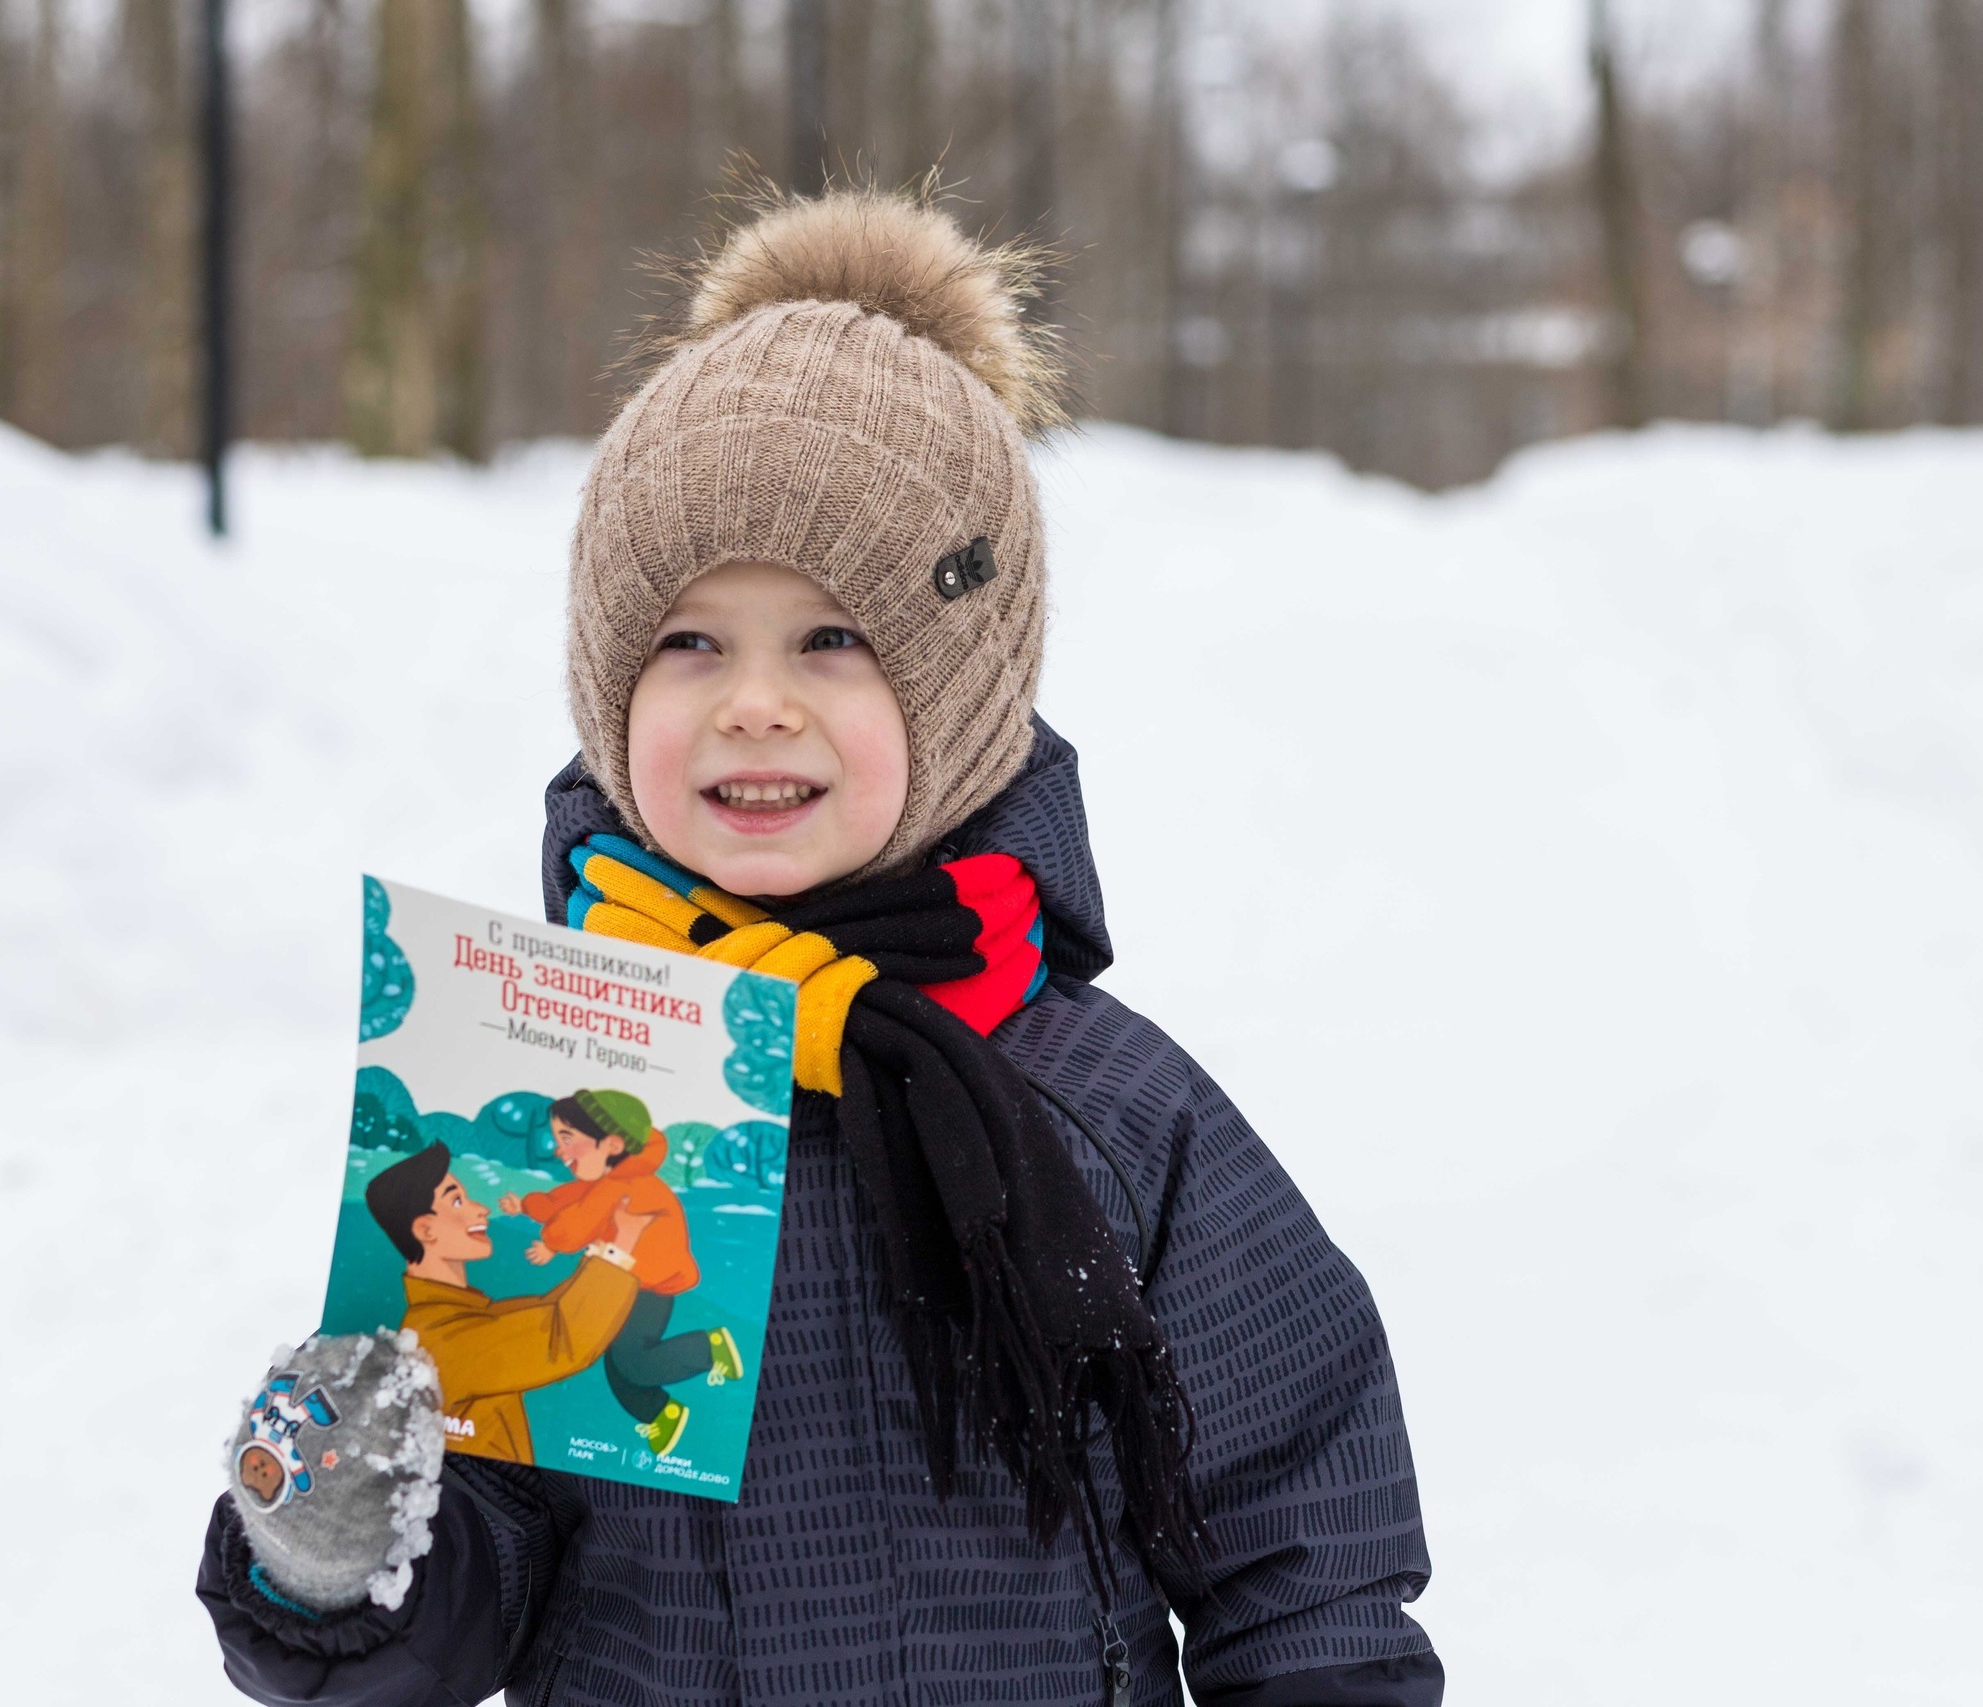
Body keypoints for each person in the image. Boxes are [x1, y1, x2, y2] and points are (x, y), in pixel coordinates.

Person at [199, 187, 1443, 1707]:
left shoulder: (1110, 1112)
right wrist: (344, 1546)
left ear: (965, 690)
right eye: (690, 641)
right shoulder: (544, 1099)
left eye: (834, 640)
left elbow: (1306, 1556)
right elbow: (474, 1580)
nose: (755, 703)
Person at [364, 1141, 642, 1465]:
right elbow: (560, 1339)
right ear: (425, 1229)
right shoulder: (441, 1338)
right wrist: (620, 1246)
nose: (480, 1208)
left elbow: (547, 1312)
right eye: (457, 1200)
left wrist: (603, 1245)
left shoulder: (456, 1315)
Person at [501, 1089, 746, 1457]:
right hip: (631, 1281)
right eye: (557, 1140)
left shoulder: (621, 1185)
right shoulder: (608, 1180)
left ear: (612, 1143)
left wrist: (551, 1241)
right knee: (619, 1361)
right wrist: (528, 1205)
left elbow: (573, 1227)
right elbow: (564, 1200)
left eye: (567, 1139)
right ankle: (662, 1412)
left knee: (631, 1360)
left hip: (650, 1284)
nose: (558, 1150)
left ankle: (707, 1348)